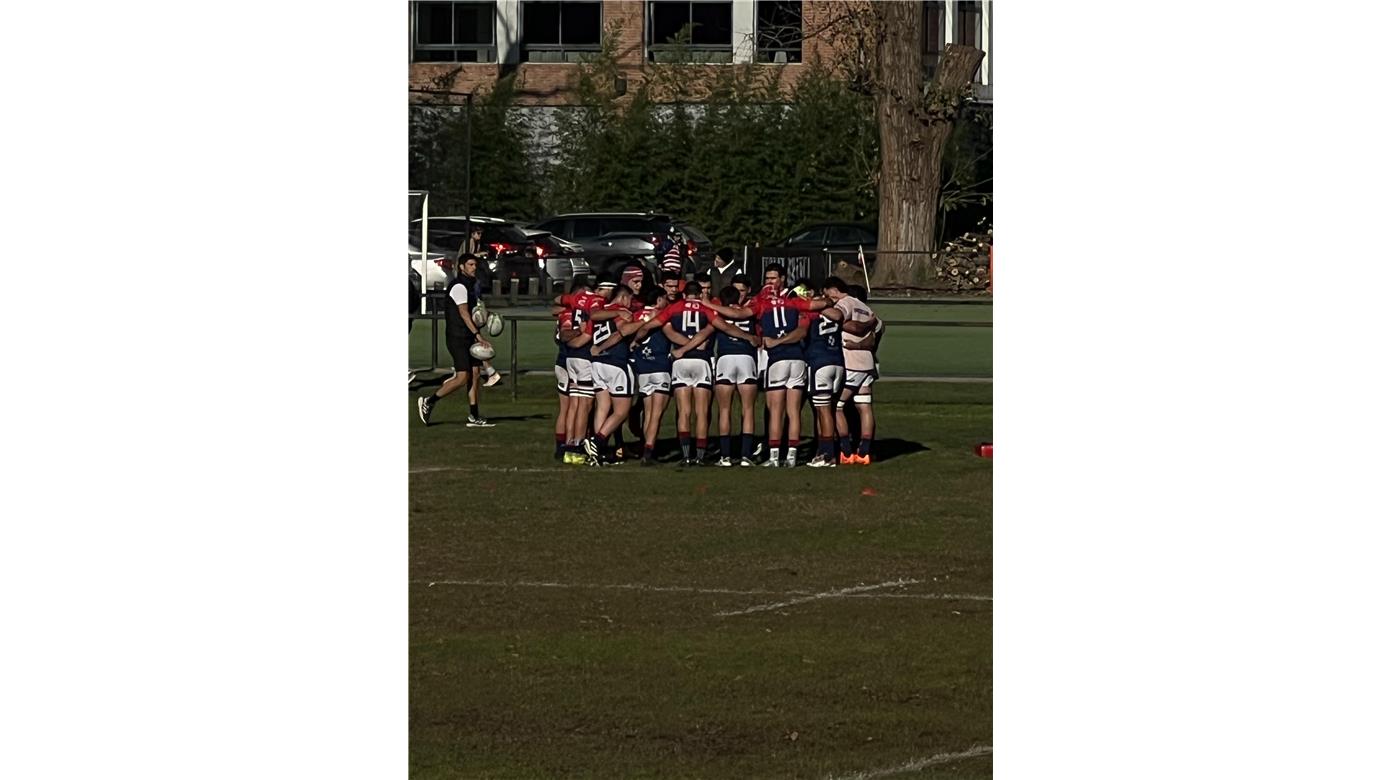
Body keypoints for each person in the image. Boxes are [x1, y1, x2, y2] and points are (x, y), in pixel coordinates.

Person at [702, 264, 832, 467]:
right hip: (797, 358)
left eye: (772, 279)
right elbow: (819, 306)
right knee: (794, 411)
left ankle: (772, 457)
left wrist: (708, 304)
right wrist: (826, 299)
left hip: (776, 359)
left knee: (775, 410)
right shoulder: (793, 302)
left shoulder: (760, 304)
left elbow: (738, 315)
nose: (769, 282)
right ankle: (791, 457)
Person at [417, 254, 493, 428]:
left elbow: (476, 311)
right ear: (461, 267)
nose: (474, 267)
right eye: (471, 264)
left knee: (474, 375)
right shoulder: (459, 286)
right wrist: (478, 335)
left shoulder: (472, 285)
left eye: (475, 264)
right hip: (457, 337)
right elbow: (464, 313)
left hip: (468, 336)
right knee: (462, 377)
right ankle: (429, 401)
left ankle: (474, 416)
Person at [585, 283, 643, 466]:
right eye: (630, 298)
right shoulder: (620, 310)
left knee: (603, 407)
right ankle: (597, 441)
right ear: (623, 297)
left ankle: (597, 453)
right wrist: (644, 321)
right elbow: (622, 331)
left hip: (598, 364)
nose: (631, 303)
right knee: (621, 411)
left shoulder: (603, 310)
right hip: (615, 362)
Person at [660, 281, 716, 465]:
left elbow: (667, 330)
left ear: (684, 295)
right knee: (702, 411)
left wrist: (683, 347)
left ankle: (686, 455)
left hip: (680, 362)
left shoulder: (674, 307)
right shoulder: (707, 308)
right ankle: (699, 456)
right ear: (700, 294)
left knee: (683, 411)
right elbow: (713, 328)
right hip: (701, 360)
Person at [709, 284, 761, 467]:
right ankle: (746, 455)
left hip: (725, 358)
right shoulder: (748, 312)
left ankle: (725, 456)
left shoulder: (719, 313)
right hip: (746, 358)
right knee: (748, 409)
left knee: (724, 410)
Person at [834, 283, 883, 464]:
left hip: (851, 364)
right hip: (869, 365)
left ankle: (846, 451)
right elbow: (872, 341)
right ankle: (865, 451)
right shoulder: (875, 319)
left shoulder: (848, 314)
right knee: (865, 408)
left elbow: (854, 328)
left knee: (836, 406)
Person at [802, 280, 847, 467]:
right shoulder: (834, 309)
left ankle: (828, 454)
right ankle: (825, 451)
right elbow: (837, 316)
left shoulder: (812, 311)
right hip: (837, 360)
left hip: (819, 361)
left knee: (823, 410)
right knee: (830, 408)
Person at [630, 288, 674, 466]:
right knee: (657, 413)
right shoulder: (661, 314)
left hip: (643, 367)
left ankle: (646, 448)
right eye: (664, 298)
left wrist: (636, 342)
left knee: (648, 413)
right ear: (658, 299)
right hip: (660, 366)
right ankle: (649, 452)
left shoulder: (638, 314)